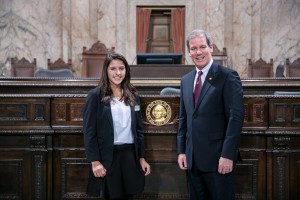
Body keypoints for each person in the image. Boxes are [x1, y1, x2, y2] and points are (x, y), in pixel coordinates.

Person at [177, 29, 244, 200]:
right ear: (189, 52)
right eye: (193, 48)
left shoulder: (227, 76)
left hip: (218, 159)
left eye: (202, 47)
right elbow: (184, 119)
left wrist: (228, 155)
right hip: (192, 160)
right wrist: (182, 151)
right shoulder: (185, 80)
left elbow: (235, 119)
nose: (198, 52)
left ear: (211, 48)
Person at [83, 53, 151, 200]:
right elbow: (89, 132)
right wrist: (95, 162)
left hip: (129, 156)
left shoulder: (133, 95)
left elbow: (139, 130)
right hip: (108, 157)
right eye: (113, 68)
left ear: (126, 71)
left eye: (121, 68)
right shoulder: (95, 96)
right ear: (106, 71)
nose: (118, 73)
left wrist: (141, 157)